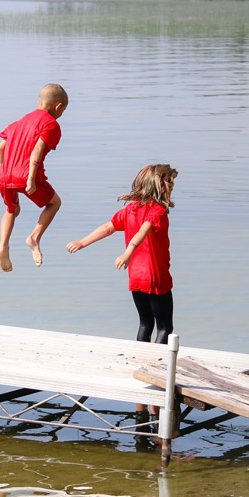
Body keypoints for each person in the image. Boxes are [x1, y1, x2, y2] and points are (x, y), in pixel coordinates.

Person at [67, 164, 178, 418]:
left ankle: (140, 370)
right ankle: (155, 373)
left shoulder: (130, 209)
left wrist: (82, 242)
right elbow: (143, 231)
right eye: (169, 183)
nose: (172, 187)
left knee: (145, 323)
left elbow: (108, 227)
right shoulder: (157, 210)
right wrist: (128, 252)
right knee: (164, 327)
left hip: (136, 278)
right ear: (160, 185)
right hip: (156, 277)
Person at [0, 84, 68, 272]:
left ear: (39, 102)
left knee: (11, 209)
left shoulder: (18, 122)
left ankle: (3, 246)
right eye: (62, 112)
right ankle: (34, 237)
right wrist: (30, 179)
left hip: (4, 175)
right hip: (27, 175)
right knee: (54, 203)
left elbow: (1, 147)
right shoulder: (51, 124)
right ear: (58, 106)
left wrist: (5, 168)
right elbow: (38, 149)